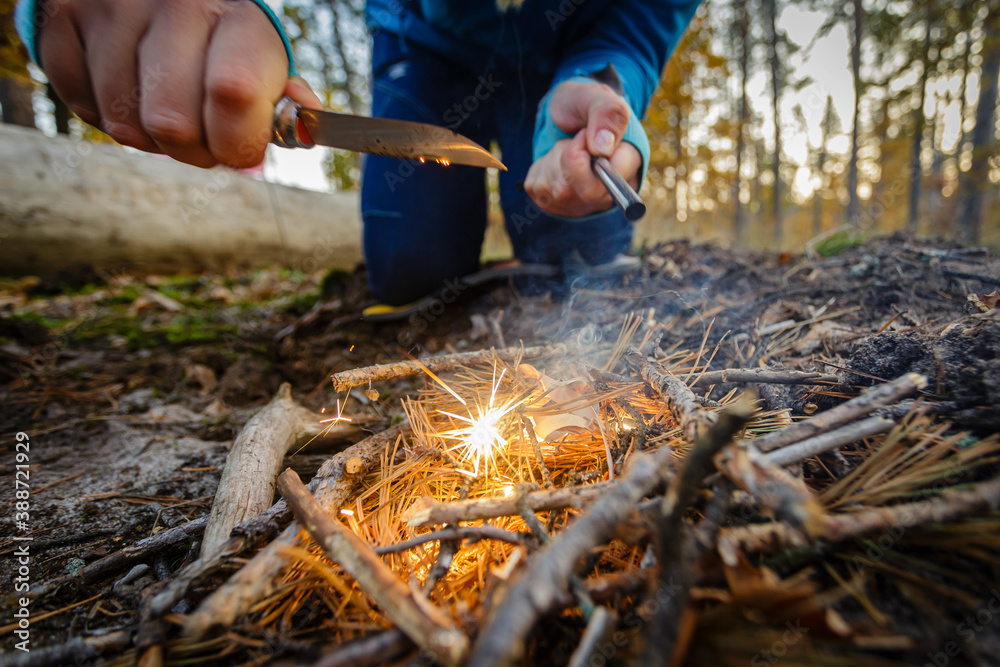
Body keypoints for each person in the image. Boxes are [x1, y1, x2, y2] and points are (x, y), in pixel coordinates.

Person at [16, 0, 701, 306]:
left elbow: (642, 18)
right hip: (422, 48)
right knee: (412, 270)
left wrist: (602, 89)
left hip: (564, 60)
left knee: (577, 248)